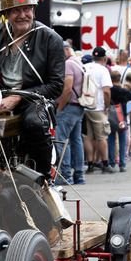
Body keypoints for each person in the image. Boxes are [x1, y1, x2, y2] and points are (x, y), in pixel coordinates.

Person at [0, 0, 65, 177]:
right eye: (16, 10)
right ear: (6, 14)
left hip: (35, 100)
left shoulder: (51, 38)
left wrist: (18, 97)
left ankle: (44, 178)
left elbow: (56, 85)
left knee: (34, 123)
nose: (22, 15)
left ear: (33, 10)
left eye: (27, 9)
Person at [55, 42, 86, 185]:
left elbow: (67, 89)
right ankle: (79, 175)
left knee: (62, 140)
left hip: (68, 107)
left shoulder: (68, 64)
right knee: (76, 141)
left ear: (66, 49)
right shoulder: (78, 62)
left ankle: (66, 175)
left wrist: (60, 108)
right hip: (78, 106)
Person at [82, 46, 113, 173]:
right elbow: (106, 91)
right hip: (98, 107)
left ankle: (90, 164)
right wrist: (106, 106)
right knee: (102, 136)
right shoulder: (103, 70)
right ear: (104, 58)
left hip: (84, 106)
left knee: (87, 137)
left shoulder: (84, 67)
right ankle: (105, 163)